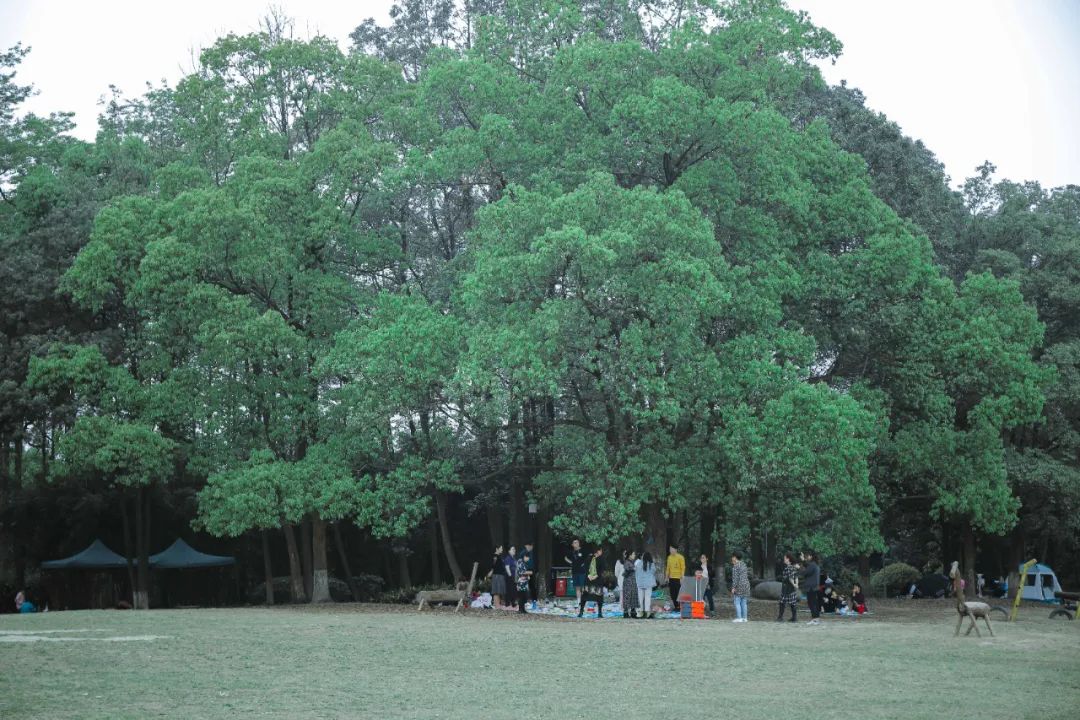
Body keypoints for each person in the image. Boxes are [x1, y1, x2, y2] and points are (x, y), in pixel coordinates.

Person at [578, 547, 606, 618]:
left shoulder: (601, 559)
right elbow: (585, 567)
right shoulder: (589, 558)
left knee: (599, 597)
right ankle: (581, 612)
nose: (601, 552)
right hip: (588, 580)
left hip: (597, 580)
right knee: (584, 596)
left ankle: (600, 613)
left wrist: (596, 576)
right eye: (600, 550)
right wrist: (588, 575)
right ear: (598, 551)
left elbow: (602, 570)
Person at [777, 552, 799, 622]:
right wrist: (796, 584)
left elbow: (790, 578)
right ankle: (794, 618)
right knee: (792, 603)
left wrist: (794, 584)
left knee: (782, 602)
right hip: (791, 588)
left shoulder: (789, 567)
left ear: (788, 559)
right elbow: (796, 577)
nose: (784, 559)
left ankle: (780, 617)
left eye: (785, 558)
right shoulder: (793, 567)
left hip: (786, 587)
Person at [801, 551, 821, 624]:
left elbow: (805, 572)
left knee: (811, 603)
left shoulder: (812, 565)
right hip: (814, 587)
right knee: (814, 603)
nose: (807, 557)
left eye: (808, 556)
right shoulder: (815, 564)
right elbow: (807, 567)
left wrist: (799, 567)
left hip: (811, 587)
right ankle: (816, 619)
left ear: (811, 556)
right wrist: (803, 560)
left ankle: (814, 619)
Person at [635, 551, 657, 618]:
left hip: (640, 583)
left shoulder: (638, 564)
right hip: (648, 584)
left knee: (640, 599)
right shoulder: (651, 564)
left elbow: (636, 573)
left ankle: (639, 613)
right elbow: (653, 572)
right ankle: (647, 613)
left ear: (643, 557)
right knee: (647, 599)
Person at [730, 551, 751, 622]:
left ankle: (739, 618)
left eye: (732, 557)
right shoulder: (743, 564)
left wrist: (733, 587)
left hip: (739, 585)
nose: (732, 558)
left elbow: (735, 578)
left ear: (735, 557)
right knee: (744, 602)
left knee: (737, 602)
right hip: (746, 585)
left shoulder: (735, 566)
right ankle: (745, 618)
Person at [666, 545, 686, 611]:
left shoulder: (680, 557)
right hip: (671, 578)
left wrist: (682, 577)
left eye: (671, 549)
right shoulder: (669, 557)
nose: (670, 550)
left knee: (678, 593)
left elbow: (683, 568)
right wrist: (666, 577)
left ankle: (680, 607)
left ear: (675, 549)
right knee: (672, 594)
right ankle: (676, 606)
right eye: (670, 549)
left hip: (678, 578)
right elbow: (668, 568)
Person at [621, 550, 639, 619]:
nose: (634, 555)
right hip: (628, 582)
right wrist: (633, 569)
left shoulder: (632, 562)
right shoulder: (627, 562)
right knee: (627, 596)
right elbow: (626, 570)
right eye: (633, 554)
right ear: (630, 555)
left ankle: (633, 612)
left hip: (633, 582)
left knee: (633, 596)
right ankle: (625, 613)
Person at [519, 541, 537, 608]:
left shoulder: (532, 553)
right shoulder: (523, 553)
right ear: (526, 546)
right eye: (530, 546)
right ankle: (524, 602)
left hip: (531, 570)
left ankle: (534, 602)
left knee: (532, 587)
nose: (531, 547)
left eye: (532, 546)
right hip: (525, 571)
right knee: (524, 587)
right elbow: (521, 564)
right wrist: (527, 573)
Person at [515, 549, 533, 614]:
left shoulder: (522, 562)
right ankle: (520, 609)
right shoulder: (520, 562)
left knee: (524, 596)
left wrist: (527, 576)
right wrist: (530, 572)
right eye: (528, 557)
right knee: (522, 596)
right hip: (521, 582)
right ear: (524, 556)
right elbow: (521, 572)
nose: (528, 559)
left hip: (524, 582)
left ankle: (523, 609)